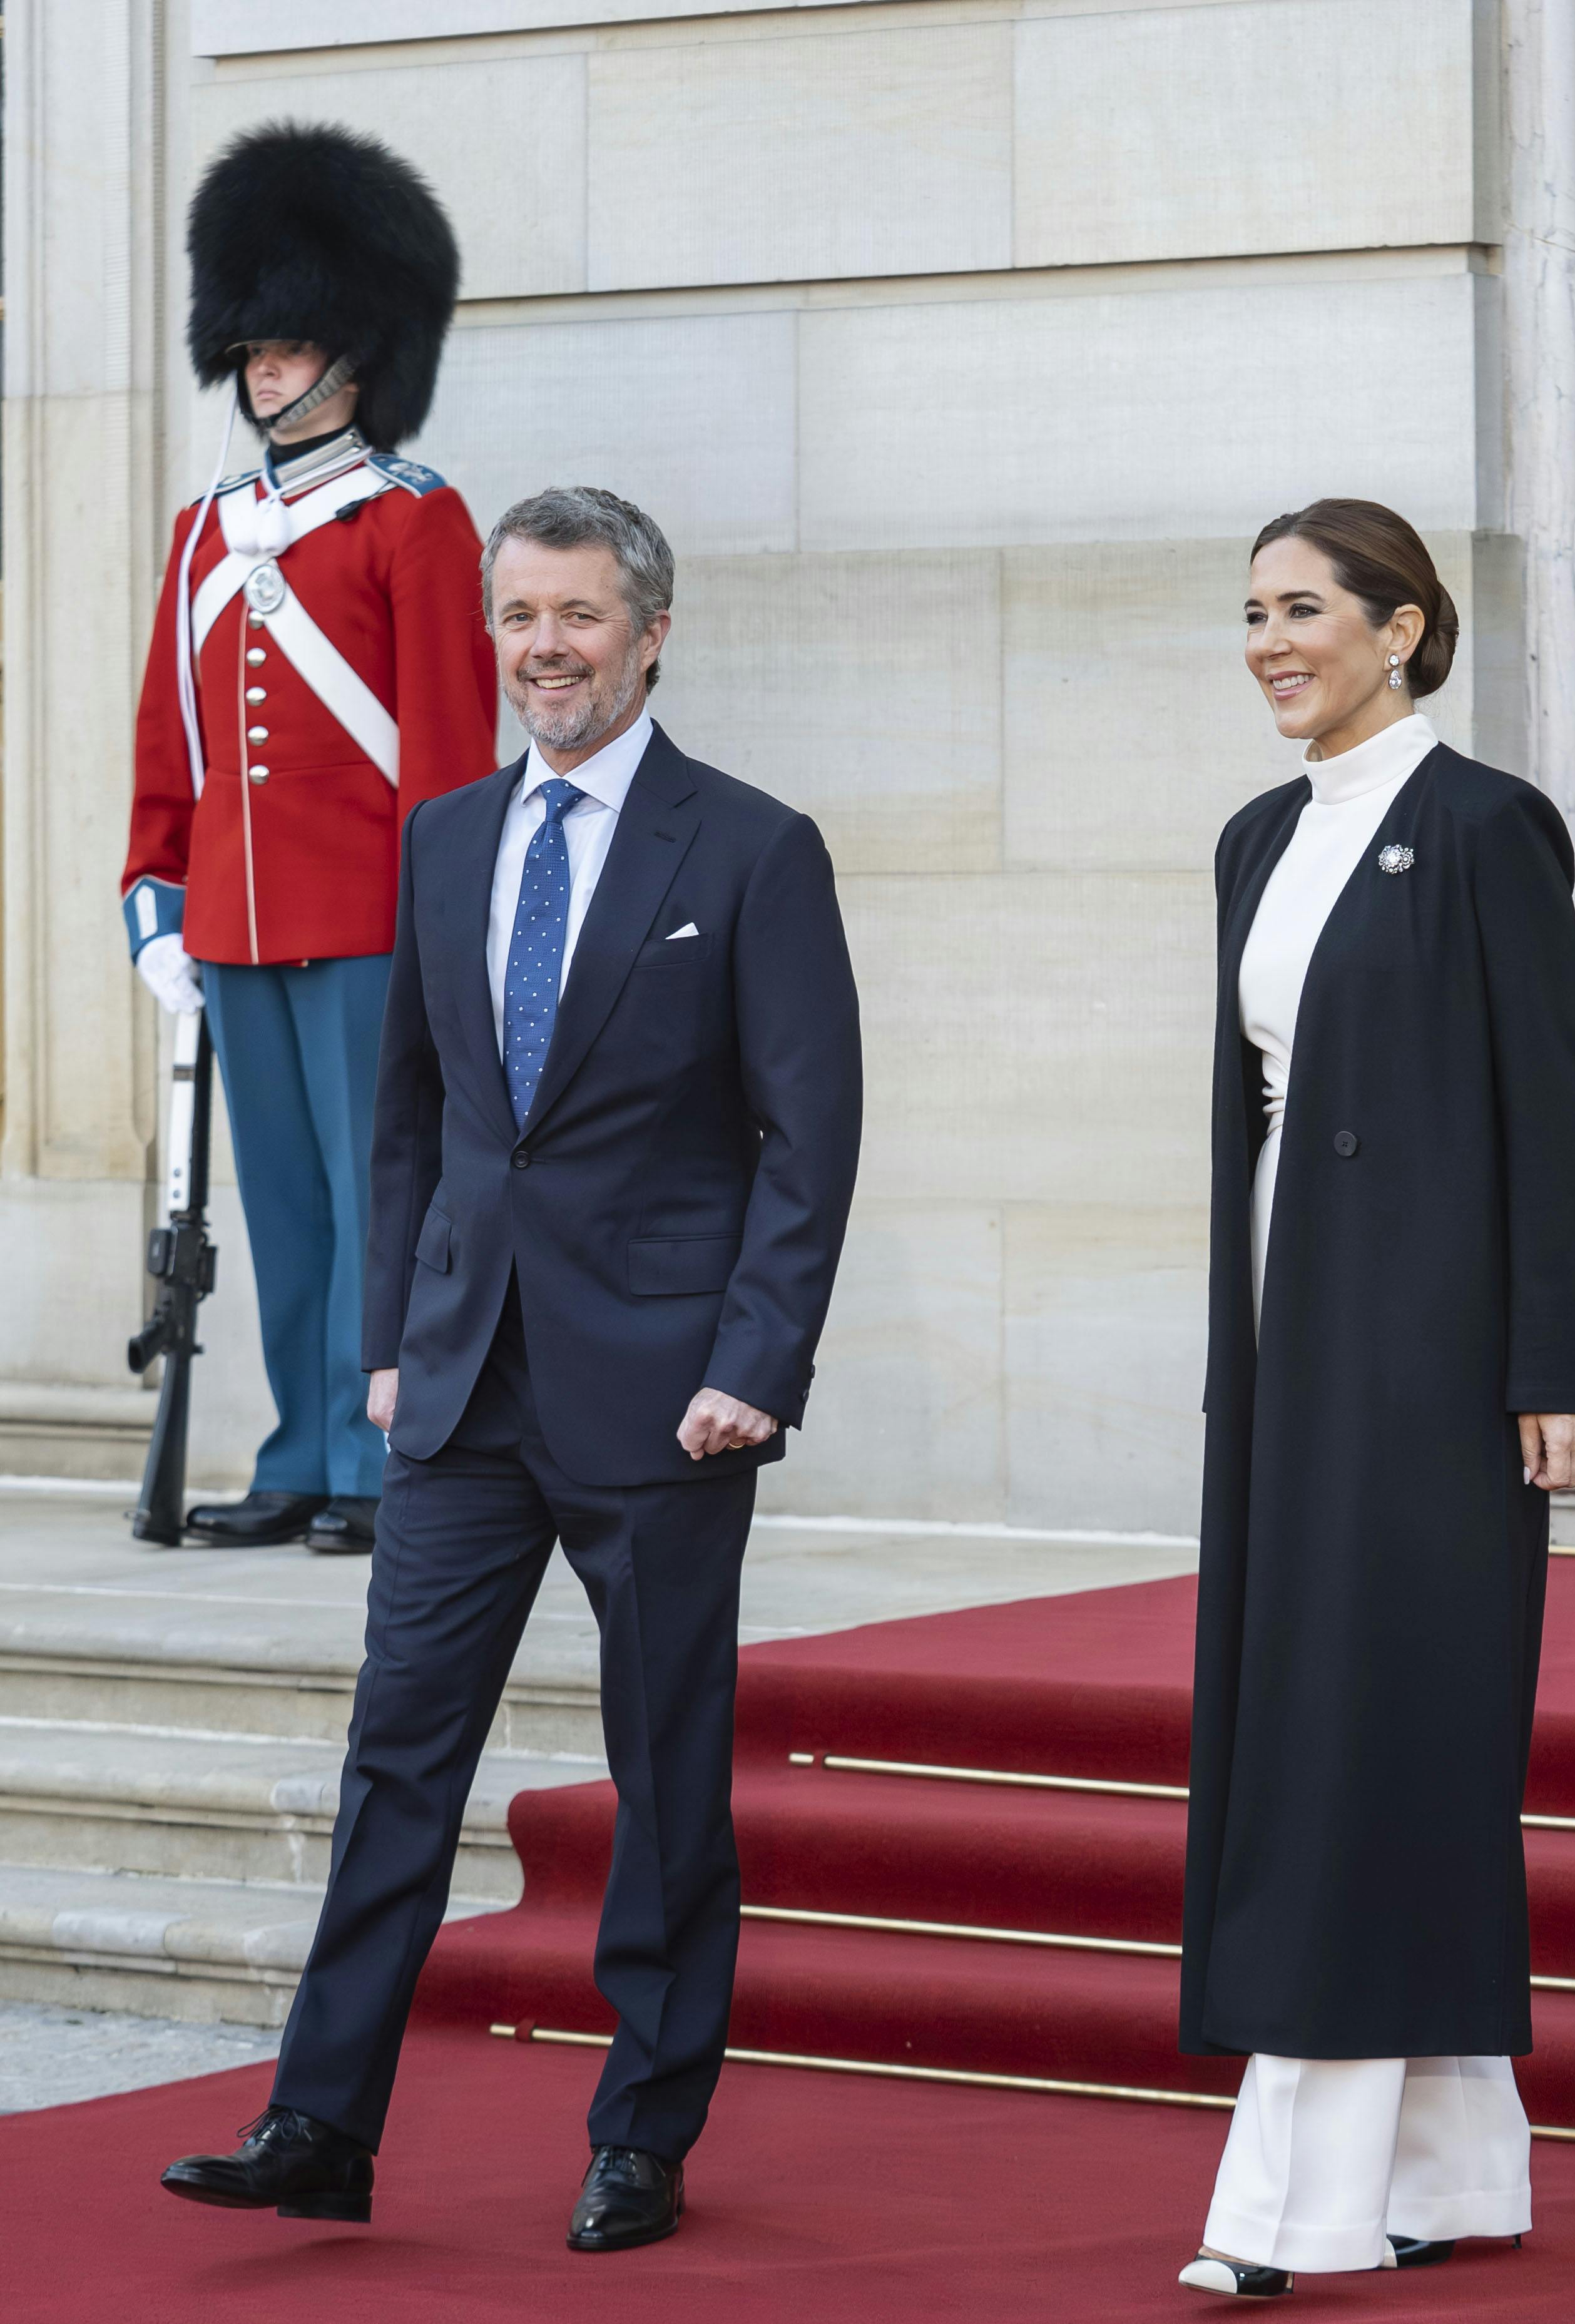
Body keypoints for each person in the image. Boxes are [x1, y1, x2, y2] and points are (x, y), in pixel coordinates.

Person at [158, 486, 863, 2251]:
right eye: (522, 616)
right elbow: (407, 1120)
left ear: (650, 629)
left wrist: (755, 1362)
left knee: (664, 1768)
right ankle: (318, 2120)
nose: (545, 647)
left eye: (580, 616)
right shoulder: (448, 835)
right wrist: (384, 1343)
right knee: (397, 1754)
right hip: (461, 1393)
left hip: (667, 1400)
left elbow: (808, 1136)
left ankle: (643, 2127)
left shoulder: (754, 848)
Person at [1177, 499, 1575, 2300]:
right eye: (1252, 612)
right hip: (1293, 1337)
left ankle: (1292, 2211)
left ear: (1402, 629)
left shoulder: (1486, 825)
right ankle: (1458, 2170)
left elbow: (1546, 1107)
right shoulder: (1254, 836)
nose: (1272, 640)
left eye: (1305, 610)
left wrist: (1552, 1365)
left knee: (1354, 1741)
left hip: (1426, 1357)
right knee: (1350, 1731)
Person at [121, 122, 496, 1554]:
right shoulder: (205, 532)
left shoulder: (414, 521)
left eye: (291, 343)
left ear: (357, 351)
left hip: (371, 920)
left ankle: (378, 1464)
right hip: (234, 925)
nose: (266, 368)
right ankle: (299, 1449)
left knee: (379, 1199)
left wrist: (440, 924)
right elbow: (175, 743)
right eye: (256, 346)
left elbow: (453, 757)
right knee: (278, 1205)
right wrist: (158, 902)